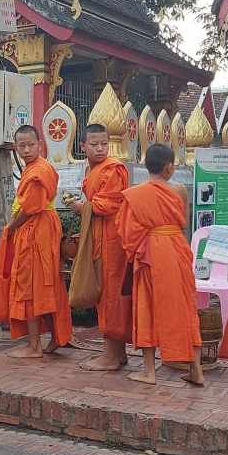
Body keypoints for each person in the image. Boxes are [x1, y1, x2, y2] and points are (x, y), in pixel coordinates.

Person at [0, 125, 73, 358]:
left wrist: (11, 227)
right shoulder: (36, 168)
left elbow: (31, 207)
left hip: (36, 230)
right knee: (45, 284)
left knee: (30, 287)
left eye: (30, 145)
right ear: (15, 147)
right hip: (42, 228)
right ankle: (54, 338)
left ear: (40, 144)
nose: (26, 150)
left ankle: (34, 346)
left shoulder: (37, 171)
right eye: (21, 146)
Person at [118, 144, 202, 385]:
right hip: (176, 249)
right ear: (169, 167)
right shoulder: (179, 190)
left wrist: (138, 250)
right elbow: (183, 224)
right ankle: (196, 369)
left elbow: (128, 234)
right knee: (185, 306)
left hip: (150, 253)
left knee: (147, 308)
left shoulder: (135, 194)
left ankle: (149, 372)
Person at [68, 123, 131, 371]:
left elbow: (108, 205)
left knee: (110, 295)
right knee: (107, 294)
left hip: (112, 240)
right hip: (100, 236)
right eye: (94, 144)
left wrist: (80, 208)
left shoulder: (113, 169)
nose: (100, 148)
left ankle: (111, 356)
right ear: (83, 146)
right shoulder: (94, 170)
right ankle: (118, 353)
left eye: (104, 143)